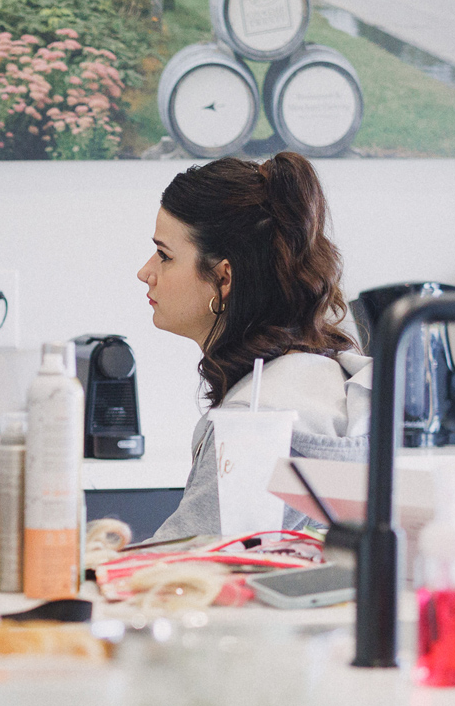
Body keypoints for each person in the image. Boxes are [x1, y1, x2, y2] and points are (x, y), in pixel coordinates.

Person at [137, 151, 371, 540]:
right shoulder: (325, 379)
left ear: (224, 277)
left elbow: (183, 566)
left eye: (165, 256)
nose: (146, 272)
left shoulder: (255, 422)